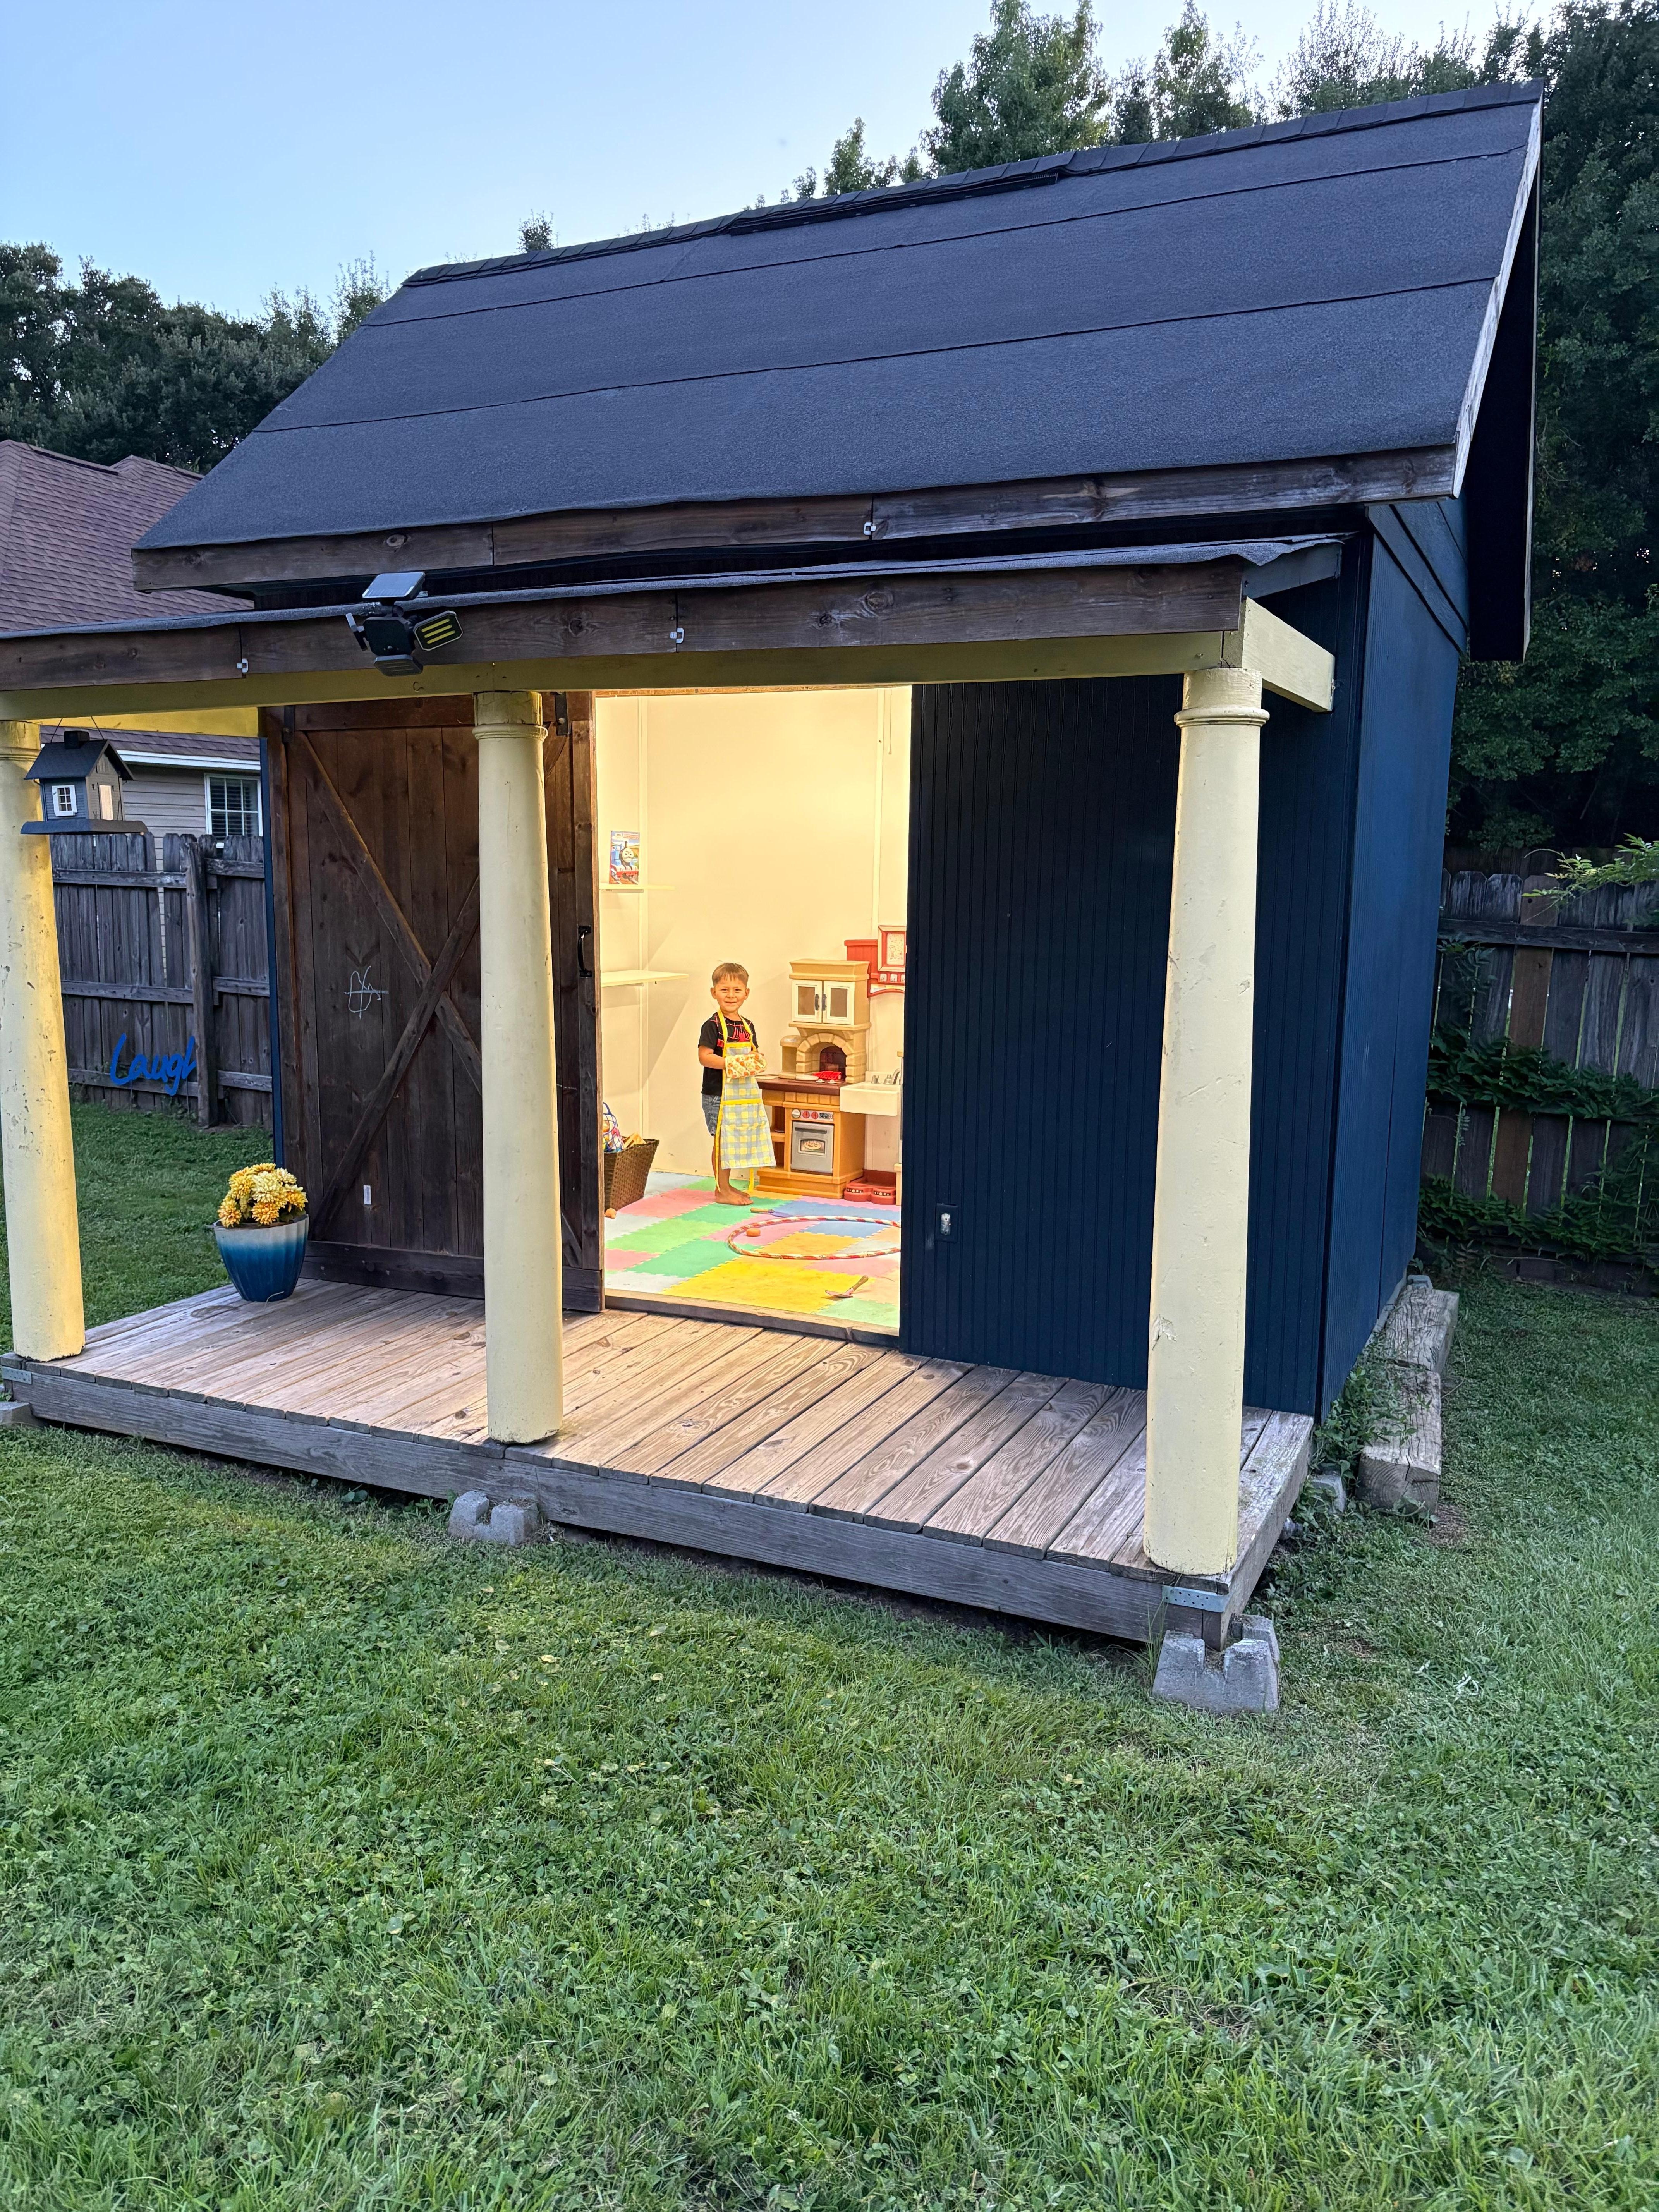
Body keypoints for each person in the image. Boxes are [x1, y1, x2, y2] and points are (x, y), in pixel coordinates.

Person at [697, 963, 772, 1205]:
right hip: (718, 1093)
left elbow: (753, 1054)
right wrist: (732, 1064)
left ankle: (728, 1186)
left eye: (737, 990)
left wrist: (755, 1061)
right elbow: (705, 1057)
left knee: (733, 1140)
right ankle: (722, 1191)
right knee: (721, 1141)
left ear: (747, 993)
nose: (731, 996)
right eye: (725, 990)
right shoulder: (713, 1026)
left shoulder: (747, 1025)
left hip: (741, 1094)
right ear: (714, 992)